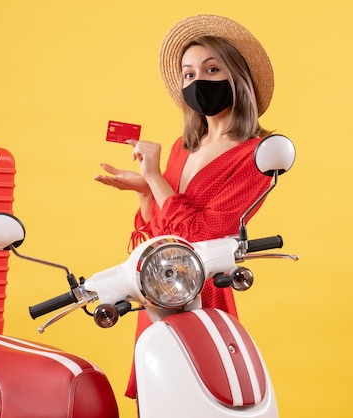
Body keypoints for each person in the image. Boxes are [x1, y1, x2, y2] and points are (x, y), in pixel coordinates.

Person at [94, 14, 276, 400]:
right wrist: (146, 190)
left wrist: (157, 179)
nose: (198, 81)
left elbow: (202, 236)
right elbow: (160, 236)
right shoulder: (182, 146)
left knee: (203, 393)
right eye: (188, 74)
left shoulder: (257, 154)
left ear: (237, 78)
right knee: (158, 392)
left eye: (211, 69)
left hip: (204, 291)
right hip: (159, 292)